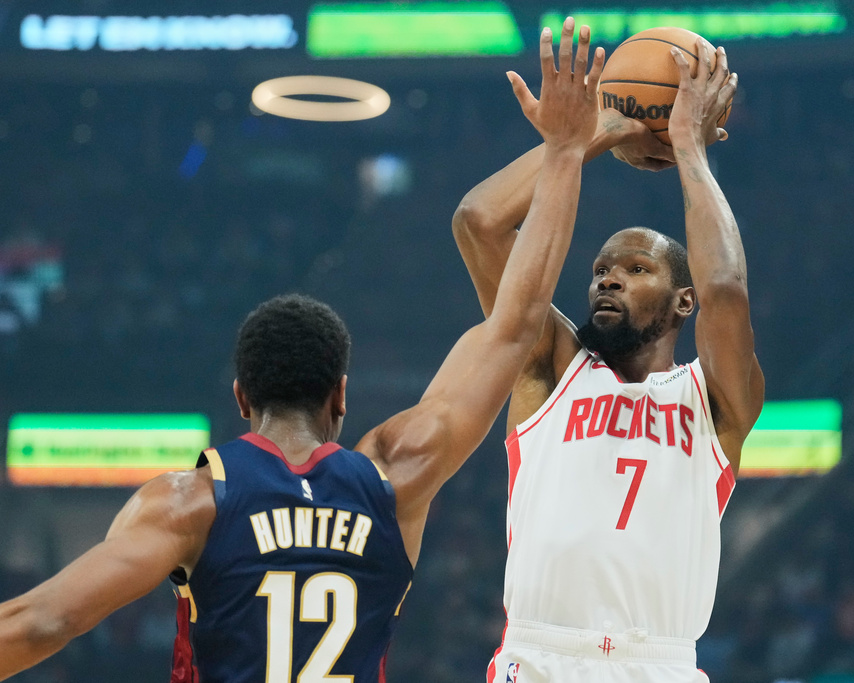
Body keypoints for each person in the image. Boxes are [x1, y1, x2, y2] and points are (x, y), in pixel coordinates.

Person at [0, 18, 605, 683]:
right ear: (340, 394)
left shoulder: (186, 504)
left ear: (241, 396)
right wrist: (566, 151)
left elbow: (41, 622)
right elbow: (516, 325)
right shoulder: (393, 477)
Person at [453, 39, 764, 683]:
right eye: (599, 270)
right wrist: (582, 137)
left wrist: (688, 147)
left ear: (684, 300)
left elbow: (726, 291)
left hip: (662, 663)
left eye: (635, 268)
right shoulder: (550, 367)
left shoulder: (714, 404)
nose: (607, 281)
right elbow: (479, 223)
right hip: (539, 656)